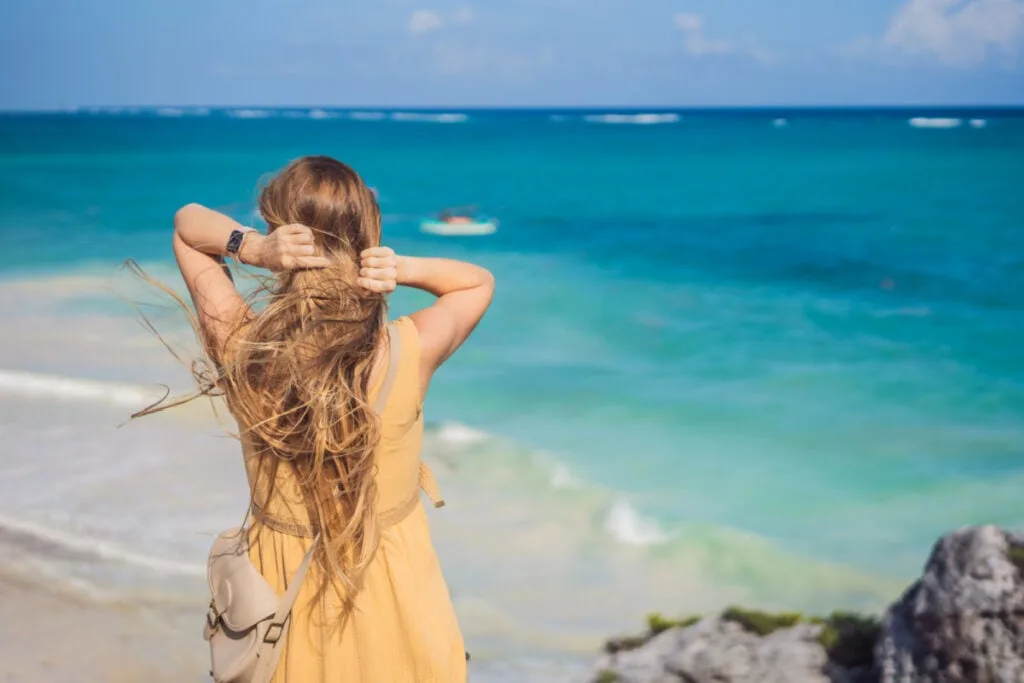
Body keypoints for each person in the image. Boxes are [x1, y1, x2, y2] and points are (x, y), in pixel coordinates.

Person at [167, 155, 494, 682]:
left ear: (280, 230)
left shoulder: (243, 346)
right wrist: (399, 268)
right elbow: (476, 283)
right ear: (368, 236)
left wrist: (252, 249)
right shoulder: (409, 349)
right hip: (396, 597)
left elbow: (188, 227)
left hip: (283, 606)